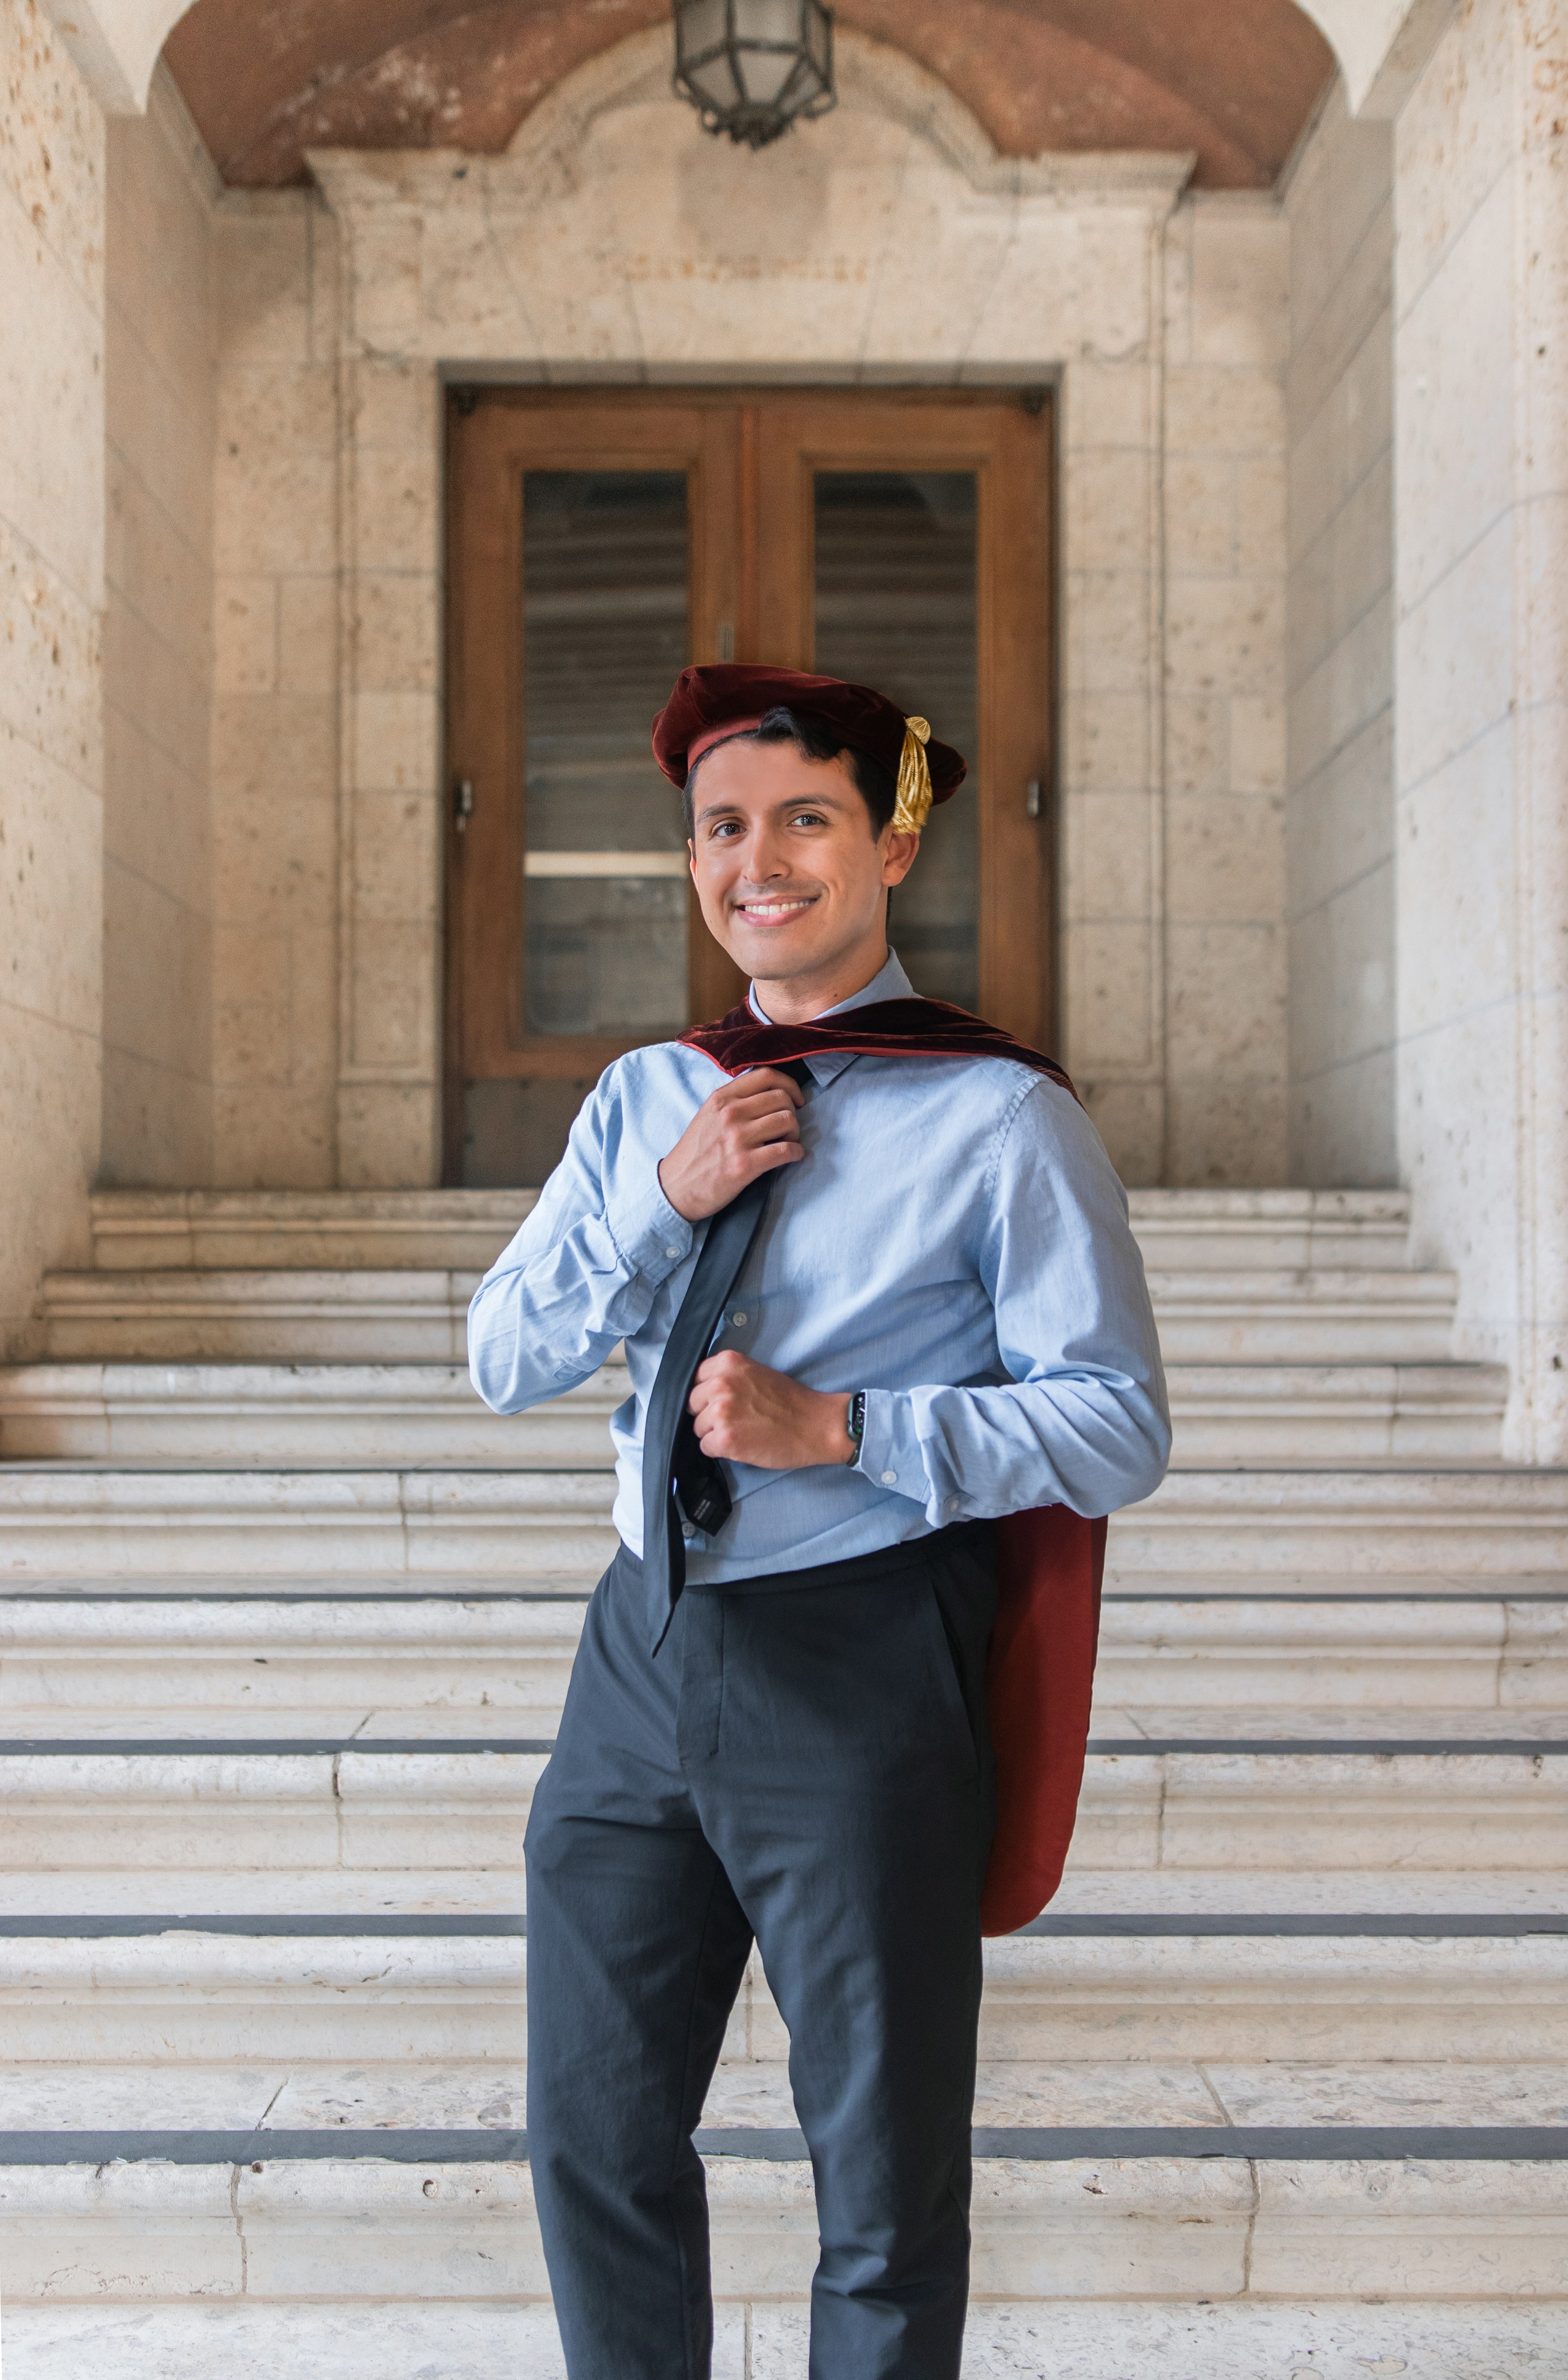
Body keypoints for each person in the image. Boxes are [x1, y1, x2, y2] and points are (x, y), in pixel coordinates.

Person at [468, 663, 1170, 2380]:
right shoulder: (647, 1100)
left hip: (863, 1665)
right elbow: (503, 1355)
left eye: (804, 817)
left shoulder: (1000, 1117)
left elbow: (1118, 1422)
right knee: (596, 2135)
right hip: (638, 1656)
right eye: (724, 826)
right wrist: (664, 1198)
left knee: (882, 2180)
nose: (757, 859)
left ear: (891, 841)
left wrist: (846, 1428)